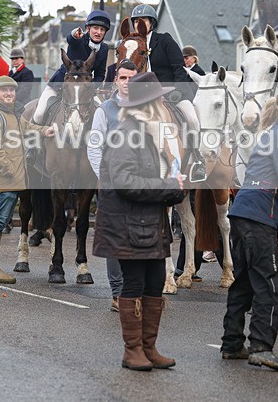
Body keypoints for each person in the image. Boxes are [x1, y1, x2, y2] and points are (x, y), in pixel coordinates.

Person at [92, 72, 187, 371]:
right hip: (128, 224)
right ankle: (132, 350)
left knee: (155, 282)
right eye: (159, 99)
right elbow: (124, 180)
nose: (163, 104)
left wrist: (173, 185)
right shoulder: (126, 132)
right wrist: (168, 185)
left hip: (148, 223)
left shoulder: (148, 132)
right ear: (149, 104)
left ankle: (149, 347)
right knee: (133, 284)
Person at [220, 90, 278, 372]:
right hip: (259, 217)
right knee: (272, 286)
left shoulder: (271, 133)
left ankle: (232, 343)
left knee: (245, 282)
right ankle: (261, 348)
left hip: (242, 213)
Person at [0, 76, 53, 283]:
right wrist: (10, 170)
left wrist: (45, 130)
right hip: (3, 179)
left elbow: (28, 127)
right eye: (4, 91)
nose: (9, 94)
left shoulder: (11, 114)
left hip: (13, 178)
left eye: (12, 90)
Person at [130, 4, 206, 183]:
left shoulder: (164, 40)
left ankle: (198, 159)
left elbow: (178, 68)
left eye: (144, 21)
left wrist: (175, 92)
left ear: (152, 23)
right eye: (136, 21)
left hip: (173, 94)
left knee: (192, 119)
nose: (139, 24)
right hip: (143, 98)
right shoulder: (133, 44)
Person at [87, 59, 138, 311]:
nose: (127, 83)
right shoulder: (103, 110)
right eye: (123, 78)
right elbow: (94, 147)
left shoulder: (146, 108)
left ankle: (135, 290)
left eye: (131, 78)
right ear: (116, 81)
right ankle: (118, 293)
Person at [32, 10, 110, 123]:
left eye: (102, 29)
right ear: (88, 29)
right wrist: (74, 35)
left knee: (104, 113)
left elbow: (100, 74)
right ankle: (34, 138)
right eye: (95, 28)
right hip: (59, 84)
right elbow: (71, 40)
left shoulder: (104, 49)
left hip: (84, 89)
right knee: (39, 114)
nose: (98, 32)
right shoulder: (79, 40)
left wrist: (92, 86)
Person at [9, 47, 34, 113]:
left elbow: (24, 90)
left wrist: (12, 99)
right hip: (11, 103)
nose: (14, 60)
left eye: (16, 58)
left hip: (23, 105)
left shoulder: (27, 73)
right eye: (12, 59)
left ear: (23, 59)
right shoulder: (10, 73)